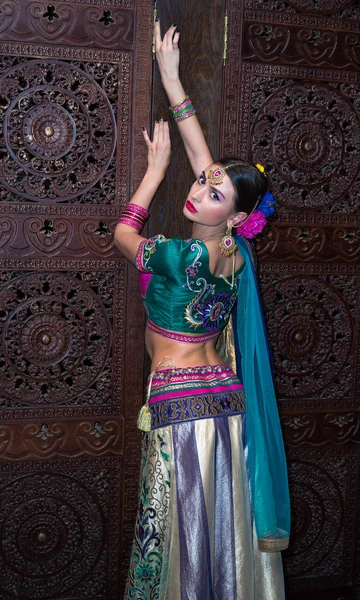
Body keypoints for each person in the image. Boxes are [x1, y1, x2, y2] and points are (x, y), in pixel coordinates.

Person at [115, 21, 290, 600]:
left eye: (214, 193)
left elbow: (122, 235)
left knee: (178, 530)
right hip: (224, 400)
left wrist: (155, 174)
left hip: (181, 405)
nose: (201, 187)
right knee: (221, 525)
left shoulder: (183, 253)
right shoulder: (234, 251)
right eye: (205, 181)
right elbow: (207, 161)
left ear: (235, 216)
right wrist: (171, 79)